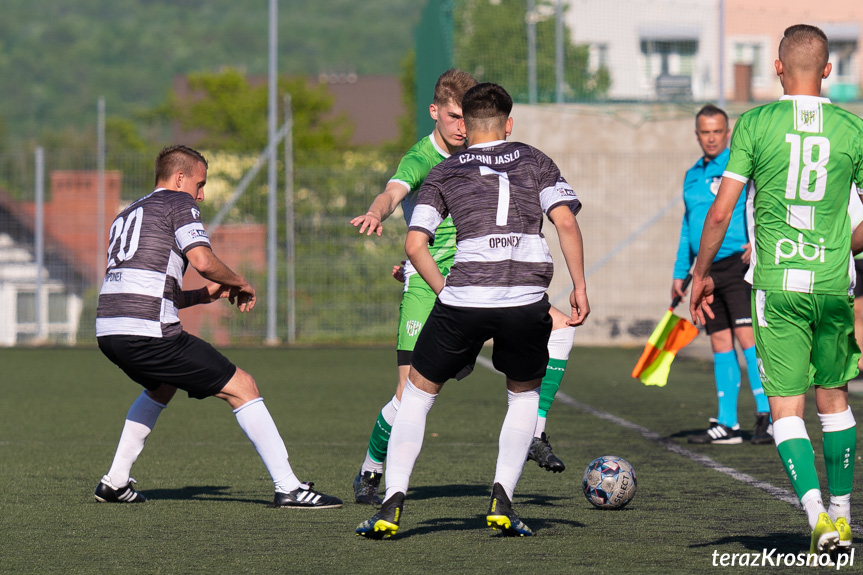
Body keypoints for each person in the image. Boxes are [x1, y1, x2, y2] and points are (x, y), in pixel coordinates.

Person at [356, 82, 589, 539]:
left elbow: (414, 244)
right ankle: (502, 501)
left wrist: (445, 292)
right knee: (522, 396)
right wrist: (580, 285)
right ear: (509, 124)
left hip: (464, 298)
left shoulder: (446, 172)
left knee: (418, 396)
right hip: (525, 300)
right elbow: (565, 221)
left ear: (470, 123)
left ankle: (391, 504)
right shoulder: (536, 159)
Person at [690, 25, 861, 560]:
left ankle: (816, 518)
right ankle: (845, 515)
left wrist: (700, 273)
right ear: (829, 69)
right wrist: (844, 248)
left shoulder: (757, 123)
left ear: (778, 69)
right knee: (835, 400)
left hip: (777, 285)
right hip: (832, 284)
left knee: (786, 408)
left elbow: (721, 212)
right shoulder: (853, 129)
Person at [93, 145, 342, 509]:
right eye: (200, 183)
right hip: (148, 331)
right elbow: (203, 260)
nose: (202, 194)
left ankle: (114, 482)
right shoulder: (178, 203)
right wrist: (240, 282)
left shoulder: (127, 214)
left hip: (109, 331)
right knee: (243, 386)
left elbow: (148, 289)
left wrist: (203, 296)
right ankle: (289, 487)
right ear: (180, 179)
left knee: (162, 387)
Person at [673, 104, 771, 445]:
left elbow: (762, 202)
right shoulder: (692, 175)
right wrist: (681, 270)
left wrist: (758, 241)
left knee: (748, 340)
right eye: (705, 131)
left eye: (717, 131)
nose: (711, 137)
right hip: (707, 268)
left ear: (727, 133)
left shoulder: (739, 165)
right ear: (697, 134)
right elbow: (689, 225)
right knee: (719, 341)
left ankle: (766, 416)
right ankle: (727, 422)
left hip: (739, 266)